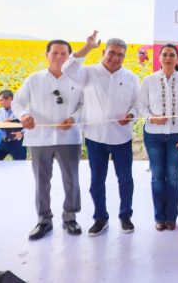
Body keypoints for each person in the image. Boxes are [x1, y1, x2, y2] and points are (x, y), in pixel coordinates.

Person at [63, 31, 140, 236]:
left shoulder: (131, 77)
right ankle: (100, 218)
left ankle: (125, 216)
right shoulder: (88, 73)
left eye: (120, 55)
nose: (116, 58)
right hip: (95, 137)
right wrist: (87, 47)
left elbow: (138, 105)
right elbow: (67, 68)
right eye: (112, 53)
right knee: (97, 180)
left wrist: (131, 114)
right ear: (104, 52)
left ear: (125, 57)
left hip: (122, 137)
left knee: (125, 179)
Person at [12, 39, 85, 240]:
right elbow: (17, 102)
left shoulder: (77, 80)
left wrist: (73, 118)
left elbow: (83, 105)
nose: (59, 57)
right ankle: (44, 220)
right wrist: (24, 115)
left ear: (70, 57)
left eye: (64, 54)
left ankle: (70, 217)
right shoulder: (34, 79)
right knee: (41, 182)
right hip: (39, 138)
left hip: (68, 138)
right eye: (55, 53)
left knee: (71, 180)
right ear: (47, 55)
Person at [137, 44, 178, 231]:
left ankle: (171, 217)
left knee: (173, 176)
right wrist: (152, 118)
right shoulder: (149, 80)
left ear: (177, 59)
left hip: (176, 136)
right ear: (159, 58)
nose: (168, 58)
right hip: (153, 136)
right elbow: (141, 106)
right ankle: (159, 217)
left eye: (172, 55)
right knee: (157, 177)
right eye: (165, 55)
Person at [0, 89, 26, 160]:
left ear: (10, 99)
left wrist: (22, 133)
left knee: (20, 165)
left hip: (17, 144)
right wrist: (2, 124)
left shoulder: (21, 112)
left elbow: (30, 126)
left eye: (1, 100)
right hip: (2, 142)